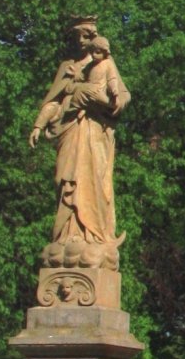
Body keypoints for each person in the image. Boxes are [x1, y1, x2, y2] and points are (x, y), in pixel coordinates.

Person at [29, 19, 130, 247]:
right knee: (64, 180)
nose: (82, 42)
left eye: (87, 37)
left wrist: (115, 102)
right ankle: (66, 236)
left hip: (95, 131)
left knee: (93, 180)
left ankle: (93, 236)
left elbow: (121, 94)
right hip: (70, 128)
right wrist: (38, 125)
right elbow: (53, 101)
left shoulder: (105, 63)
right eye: (78, 38)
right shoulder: (67, 67)